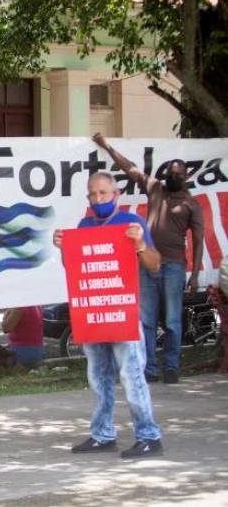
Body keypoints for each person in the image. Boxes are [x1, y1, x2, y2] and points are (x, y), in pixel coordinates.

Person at [53, 171, 163, 459]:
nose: (98, 198)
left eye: (103, 193)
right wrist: (65, 248)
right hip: (94, 313)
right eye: (93, 194)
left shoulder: (133, 223)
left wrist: (139, 245)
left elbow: (155, 265)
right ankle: (103, 435)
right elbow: (74, 267)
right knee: (98, 377)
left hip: (123, 311)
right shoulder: (84, 225)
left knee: (132, 375)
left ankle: (149, 436)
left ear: (116, 195)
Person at [93, 133, 203, 384]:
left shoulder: (191, 204)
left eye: (178, 174)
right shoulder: (154, 188)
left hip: (174, 267)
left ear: (185, 177)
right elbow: (129, 167)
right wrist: (107, 146)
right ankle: (150, 369)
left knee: (174, 322)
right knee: (147, 321)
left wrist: (195, 275)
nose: (173, 177)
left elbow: (198, 241)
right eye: (170, 173)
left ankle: (172, 368)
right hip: (146, 263)